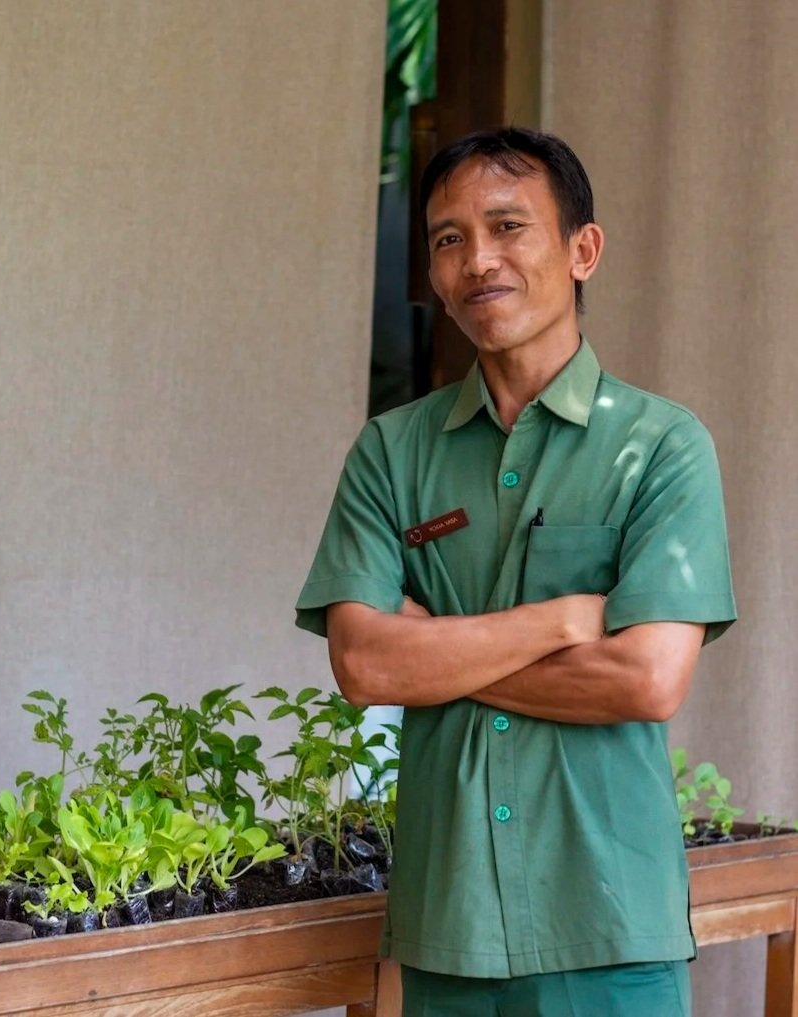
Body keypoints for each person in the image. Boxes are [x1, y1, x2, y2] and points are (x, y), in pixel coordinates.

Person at [295, 127, 736, 1017]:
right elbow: (364, 667)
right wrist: (563, 620)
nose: (476, 260)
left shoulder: (660, 446)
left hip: (609, 925)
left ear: (583, 249)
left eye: (507, 227)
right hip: (444, 926)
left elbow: (646, 678)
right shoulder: (391, 452)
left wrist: (436, 652)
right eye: (449, 238)